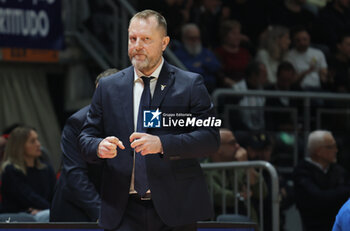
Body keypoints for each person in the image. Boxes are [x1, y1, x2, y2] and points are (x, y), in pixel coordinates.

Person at [79, 10, 220, 231]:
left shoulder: (190, 84)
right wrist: (98, 146)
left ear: (164, 43)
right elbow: (86, 138)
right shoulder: (108, 87)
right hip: (122, 210)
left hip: (176, 208)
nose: (137, 45)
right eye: (132, 38)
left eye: (146, 39)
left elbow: (210, 138)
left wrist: (162, 144)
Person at [50, 68, 119, 222]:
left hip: (113, 205)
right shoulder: (77, 122)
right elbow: (76, 174)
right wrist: (103, 214)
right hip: (75, 207)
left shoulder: (135, 118)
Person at [204, 129, 266, 223]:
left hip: (247, 223)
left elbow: (262, 191)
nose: (238, 146)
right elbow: (217, 195)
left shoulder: (240, 166)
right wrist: (240, 196)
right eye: (232, 143)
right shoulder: (205, 170)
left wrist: (247, 166)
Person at [293, 130, 350, 231]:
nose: (336, 150)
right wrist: (340, 193)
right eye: (331, 147)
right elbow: (318, 199)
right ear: (318, 151)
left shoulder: (338, 170)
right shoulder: (302, 171)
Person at [0, 126, 56, 222]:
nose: (38, 144)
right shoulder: (10, 170)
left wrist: (52, 208)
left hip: (44, 211)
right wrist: (51, 208)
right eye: (32, 141)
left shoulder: (46, 168)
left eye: (37, 139)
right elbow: (28, 197)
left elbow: (56, 195)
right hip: (19, 215)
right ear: (20, 146)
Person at [173, 23, 221, 93]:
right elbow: (187, 70)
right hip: (188, 88)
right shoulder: (178, 54)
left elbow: (216, 66)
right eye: (191, 38)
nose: (195, 41)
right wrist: (205, 64)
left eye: (197, 38)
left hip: (209, 87)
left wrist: (200, 64)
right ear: (184, 38)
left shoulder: (206, 52)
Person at [215, 20, 252, 87]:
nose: (237, 37)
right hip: (227, 88)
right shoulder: (218, 53)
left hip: (246, 86)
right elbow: (219, 74)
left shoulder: (245, 52)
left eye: (239, 33)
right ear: (225, 35)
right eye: (233, 33)